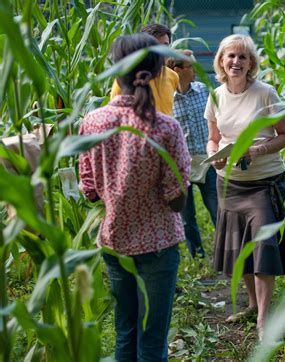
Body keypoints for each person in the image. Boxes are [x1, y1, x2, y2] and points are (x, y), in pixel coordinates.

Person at [79, 33, 190, 361]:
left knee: (125, 333)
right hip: (158, 245)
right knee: (152, 340)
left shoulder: (93, 122)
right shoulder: (166, 127)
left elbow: (89, 192)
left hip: (115, 243)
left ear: (116, 70)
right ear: (159, 72)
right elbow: (177, 198)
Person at [204, 34, 285, 339]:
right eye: (230, 56)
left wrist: (257, 150)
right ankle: (253, 305)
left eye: (243, 57)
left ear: (251, 63)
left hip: (263, 183)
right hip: (228, 184)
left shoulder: (266, 93)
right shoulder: (215, 96)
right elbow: (214, 137)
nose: (236, 62)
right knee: (239, 248)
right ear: (220, 61)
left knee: (262, 249)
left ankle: (265, 318)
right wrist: (211, 154)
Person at [167, 51, 218, 258]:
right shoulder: (167, 100)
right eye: (191, 66)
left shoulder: (204, 91)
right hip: (182, 166)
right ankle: (197, 256)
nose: (195, 70)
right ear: (177, 70)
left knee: (218, 210)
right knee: (187, 217)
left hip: (208, 161)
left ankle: (227, 252)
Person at [110, 24, 179, 116]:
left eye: (165, 45)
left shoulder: (173, 76)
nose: (162, 50)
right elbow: (115, 114)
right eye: (156, 46)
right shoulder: (125, 80)